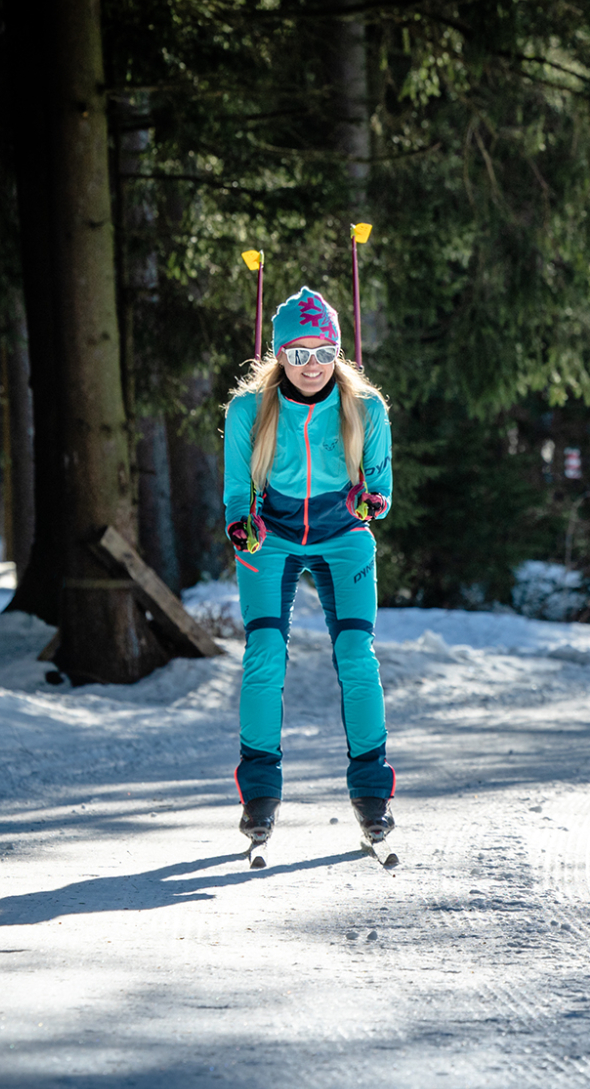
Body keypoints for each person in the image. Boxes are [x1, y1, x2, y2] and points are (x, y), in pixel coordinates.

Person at [222, 286, 396, 855]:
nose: (312, 367)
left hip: (342, 535)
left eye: (323, 353)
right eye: (297, 355)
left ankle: (372, 792)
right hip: (271, 537)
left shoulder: (365, 408)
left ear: (338, 353)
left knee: (355, 655)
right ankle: (260, 794)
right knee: (266, 652)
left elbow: (381, 487)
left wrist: (373, 501)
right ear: (278, 357)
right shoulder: (249, 409)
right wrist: (241, 522)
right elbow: (235, 494)